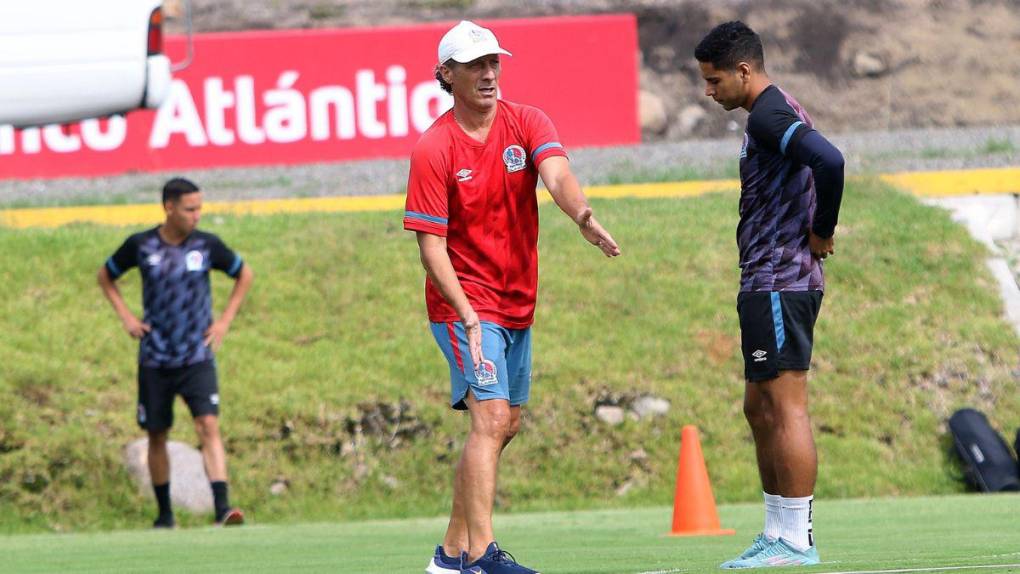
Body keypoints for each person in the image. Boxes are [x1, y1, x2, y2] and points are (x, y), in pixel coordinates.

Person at [406, 20, 620, 574]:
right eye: (475, 65)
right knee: (491, 416)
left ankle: (450, 555)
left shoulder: (527, 121)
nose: (489, 73)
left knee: (505, 424)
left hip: (516, 301)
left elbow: (556, 174)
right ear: (447, 75)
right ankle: (481, 556)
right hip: (464, 306)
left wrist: (581, 215)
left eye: (494, 62)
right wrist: (468, 315)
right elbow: (431, 249)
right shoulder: (434, 148)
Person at [694, 21, 845, 569]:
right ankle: (776, 531)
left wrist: (822, 229)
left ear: (744, 71)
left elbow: (830, 160)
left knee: (785, 407)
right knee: (758, 407)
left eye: (714, 81)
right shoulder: (768, 113)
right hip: (764, 280)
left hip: (782, 279)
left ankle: (797, 541)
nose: (709, 92)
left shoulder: (769, 113)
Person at [98, 177, 254, 529]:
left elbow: (244, 273)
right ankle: (165, 514)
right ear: (169, 207)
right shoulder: (141, 245)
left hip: (196, 355)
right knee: (157, 433)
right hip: (155, 357)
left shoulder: (207, 245)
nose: (197, 215)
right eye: (190, 209)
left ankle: (222, 508)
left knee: (208, 424)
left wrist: (224, 321)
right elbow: (106, 276)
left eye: (200, 208)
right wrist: (127, 317)